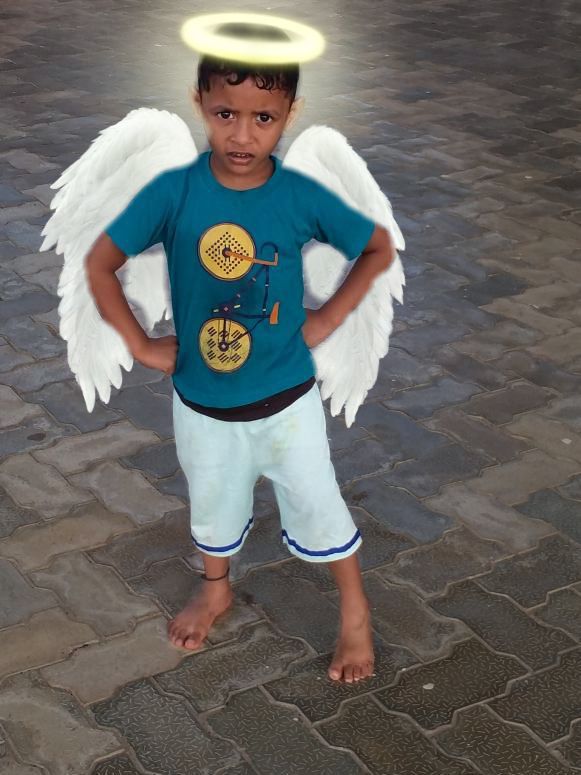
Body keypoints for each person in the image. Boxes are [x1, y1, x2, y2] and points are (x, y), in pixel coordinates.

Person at [86, 29, 396, 683]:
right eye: (226, 113)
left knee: (318, 501)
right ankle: (216, 588)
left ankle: (355, 610)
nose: (242, 135)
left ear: (290, 114)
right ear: (199, 101)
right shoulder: (173, 193)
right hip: (202, 402)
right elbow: (99, 263)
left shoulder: (300, 196)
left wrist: (327, 317)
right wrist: (140, 343)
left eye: (264, 118)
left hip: (288, 402)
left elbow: (376, 247)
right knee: (212, 501)